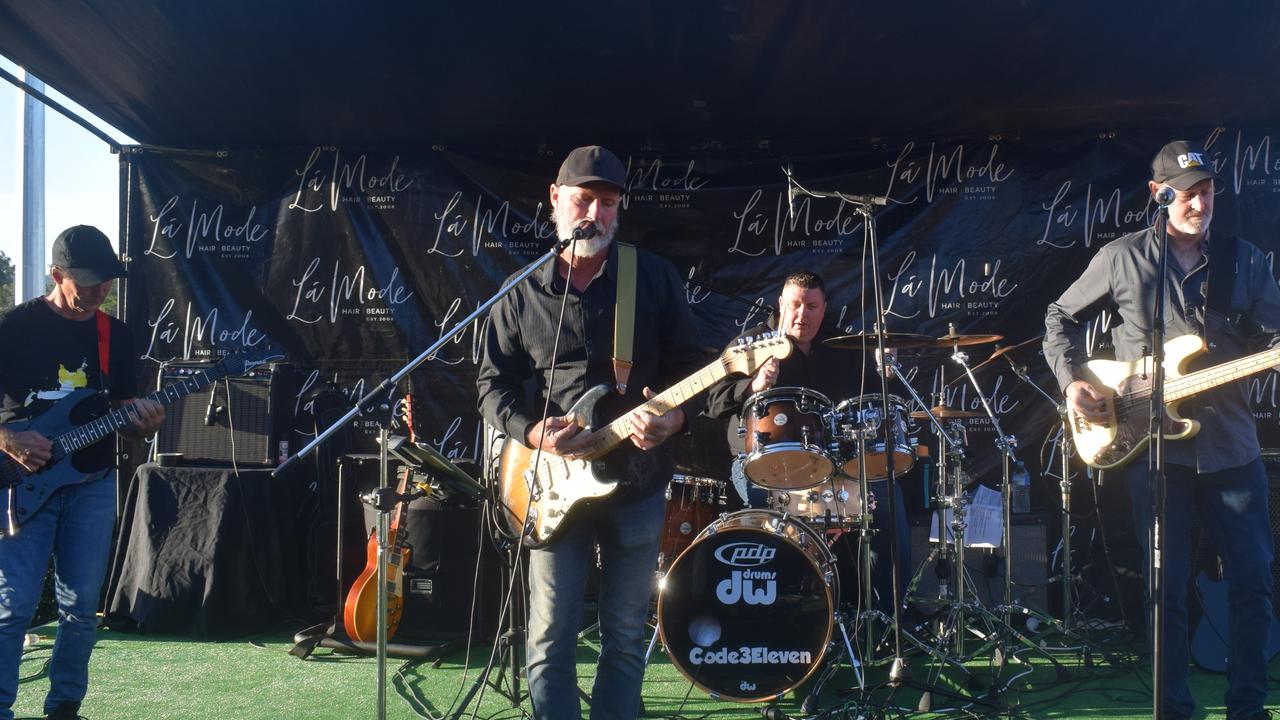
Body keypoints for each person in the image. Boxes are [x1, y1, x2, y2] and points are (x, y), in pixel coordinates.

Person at [1044, 140, 1278, 720]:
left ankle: (1247, 707)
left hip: (1231, 445)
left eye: (1207, 191)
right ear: (1160, 193)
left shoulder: (1243, 259)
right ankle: (1174, 710)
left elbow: (1272, 337)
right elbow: (1059, 317)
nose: (1200, 203)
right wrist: (1074, 382)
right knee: (1164, 591)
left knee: (1254, 581)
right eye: (1188, 192)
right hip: (1149, 448)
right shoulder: (1124, 257)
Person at [476, 146, 706, 719]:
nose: (596, 212)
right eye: (585, 199)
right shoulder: (521, 291)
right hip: (549, 486)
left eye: (608, 203)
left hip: (639, 483)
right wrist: (533, 434)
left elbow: (693, 370)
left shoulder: (650, 278)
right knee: (550, 636)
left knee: (626, 636)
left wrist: (677, 417)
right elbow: (491, 386)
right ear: (556, 199)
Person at [0, 226, 165, 720]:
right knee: (14, 609)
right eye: (88, 281)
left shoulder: (117, 335)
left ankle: (65, 708)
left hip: (91, 484)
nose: (99, 291)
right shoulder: (14, 326)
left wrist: (143, 423)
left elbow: (121, 412)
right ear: (56, 275)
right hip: (20, 483)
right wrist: (7, 437)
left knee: (81, 609)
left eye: (107, 281)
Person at [705, 270, 912, 615]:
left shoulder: (842, 346)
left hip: (831, 465)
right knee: (763, 507)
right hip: (761, 464)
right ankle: (775, 615)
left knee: (887, 496)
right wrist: (751, 387)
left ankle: (888, 616)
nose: (803, 315)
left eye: (812, 306)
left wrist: (887, 373)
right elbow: (712, 402)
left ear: (824, 307)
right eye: (796, 305)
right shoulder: (750, 345)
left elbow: (885, 404)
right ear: (781, 304)